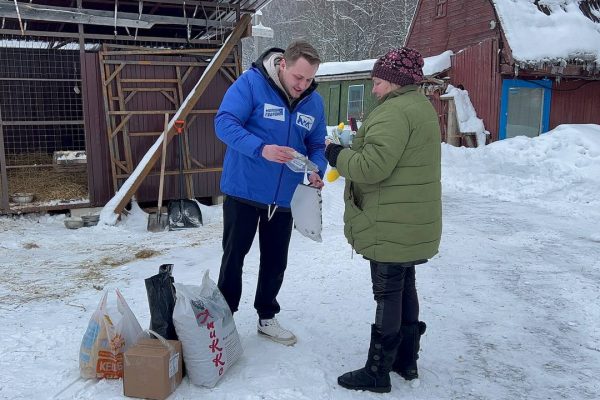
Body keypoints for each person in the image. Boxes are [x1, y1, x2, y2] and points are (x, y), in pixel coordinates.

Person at [325, 47, 442, 393]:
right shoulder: (419, 107)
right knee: (405, 286)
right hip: (409, 221)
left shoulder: (394, 113)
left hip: (390, 221)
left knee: (388, 293)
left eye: (377, 82)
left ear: (393, 83)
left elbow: (371, 168)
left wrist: (337, 154)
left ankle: (377, 371)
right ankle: (407, 360)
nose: (373, 89)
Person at [214, 40, 327, 346]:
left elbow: (317, 144)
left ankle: (267, 316)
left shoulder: (313, 102)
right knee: (234, 257)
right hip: (244, 191)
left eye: (309, 79)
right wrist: (260, 148)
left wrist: (315, 168)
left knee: (276, 260)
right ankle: (225, 319)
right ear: (283, 65)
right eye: (298, 78)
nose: (302, 85)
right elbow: (224, 123)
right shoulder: (251, 84)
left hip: (285, 199)